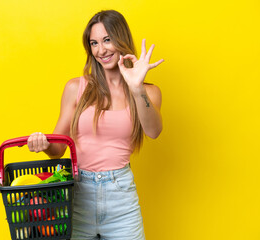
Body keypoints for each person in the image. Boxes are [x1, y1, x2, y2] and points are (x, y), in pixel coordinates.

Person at [27, 10, 164, 240]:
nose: (101, 50)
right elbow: (58, 149)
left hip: (121, 199)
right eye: (94, 43)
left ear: (121, 39)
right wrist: (43, 143)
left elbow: (154, 131)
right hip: (79, 194)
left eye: (107, 40)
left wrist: (137, 88)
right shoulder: (75, 88)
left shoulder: (148, 92)